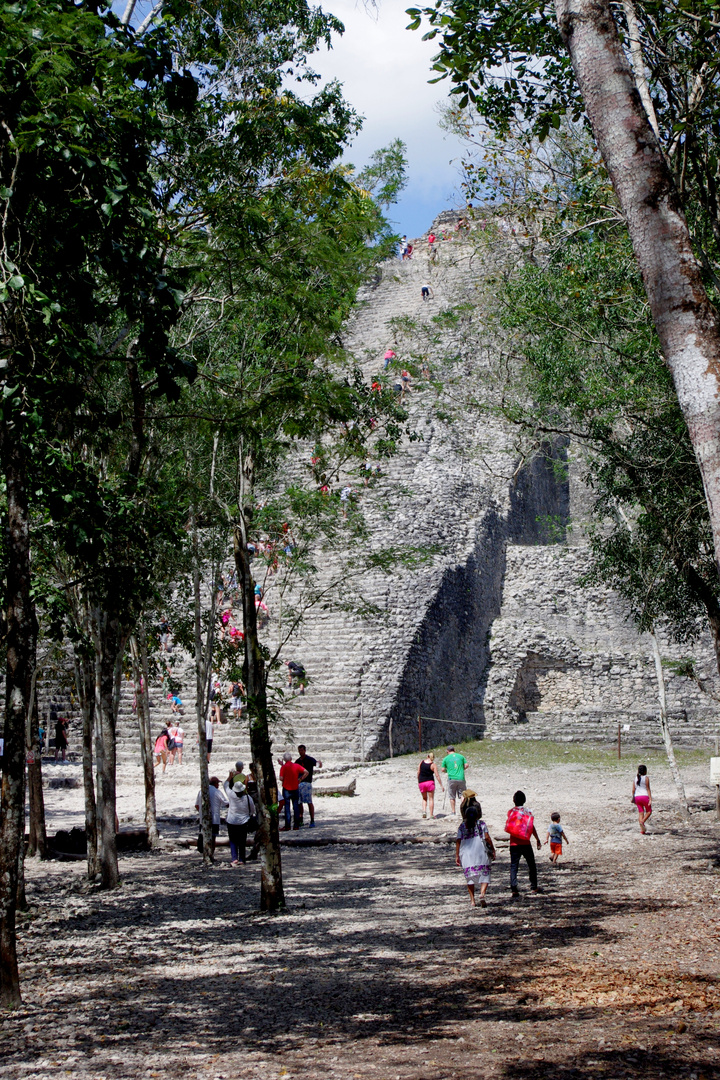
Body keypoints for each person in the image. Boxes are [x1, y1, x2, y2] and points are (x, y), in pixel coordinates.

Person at [455, 800, 496, 907]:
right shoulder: (481, 824)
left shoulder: (462, 826)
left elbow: (458, 841)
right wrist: (492, 849)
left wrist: (457, 855)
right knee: (485, 874)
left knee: (470, 877)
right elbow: (487, 838)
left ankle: (472, 900)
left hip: (466, 853)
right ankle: (482, 893)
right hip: (480, 851)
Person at [506, 790, 541, 897]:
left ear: (514, 800)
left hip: (514, 843)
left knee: (514, 866)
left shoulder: (511, 812)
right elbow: (531, 826)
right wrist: (537, 839)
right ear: (524, 800)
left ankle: (514, 888)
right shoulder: (527, 812)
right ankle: (534, 886)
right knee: (531, 864)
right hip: (526, 842)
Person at [223, 776, 255, 866]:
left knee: (233, 840)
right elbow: (252, 810)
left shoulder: (231, 795)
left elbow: (225, 785)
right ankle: (242, 859)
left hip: (232, 821)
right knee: (242, 841)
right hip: (243, 822)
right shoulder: (248, 798)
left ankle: (234, 858)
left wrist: (230, 776)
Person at [195, 776, 228, 860]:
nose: (218, 785)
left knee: (204, 836)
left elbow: (197, 805)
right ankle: (211, 855)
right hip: (214, 819)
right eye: (218, 784)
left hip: (203, 819)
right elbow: (226, 803)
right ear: (215, 784)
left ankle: (205, 854)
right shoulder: (217, 792)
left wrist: (201, 813)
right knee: (213, 838)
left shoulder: (201, 791)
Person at [279, 752, 309, 831]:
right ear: (291, 759)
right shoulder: (296, 766)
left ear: (284, 760)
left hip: (286, 788)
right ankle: (296, 825)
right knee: (296, 807)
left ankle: (287, 825)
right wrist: (300, 779)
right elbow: (306, 772)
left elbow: (281, 778)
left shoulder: (283, 767)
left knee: (287, 807)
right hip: (295, 787)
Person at [295, 745, 322, 828]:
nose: (300, 752)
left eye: (302, 750)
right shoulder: (297, 761)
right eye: (299, 750)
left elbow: (317, 764)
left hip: (307, 783)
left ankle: (312, 819)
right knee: (299, 803)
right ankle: (300, 819)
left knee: (309, 802)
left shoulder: (309, 759)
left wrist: (319, 764)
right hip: (299, 784)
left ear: (305, 750)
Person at [442, 745, 469, 815]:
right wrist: (462, 769)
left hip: (451, 778)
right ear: (454, 750)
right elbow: (466, 765)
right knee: (462, 795)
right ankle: (464, 810)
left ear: (447, 751)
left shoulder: (446, 758)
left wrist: (447, 771)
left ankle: (453, 811)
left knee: (452, 795)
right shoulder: (461, 756)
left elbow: (443, 769)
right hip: (461, 778)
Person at [417, 751, 444, 819]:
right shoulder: (433, 765)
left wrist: (418, 781)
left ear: (427, 756)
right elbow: (437, 775)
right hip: (430, 782)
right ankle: (431, 815)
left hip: (422, 782)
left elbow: (418, 772)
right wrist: (441, 785)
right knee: (431, 799)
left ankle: (424, 811)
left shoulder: (421, 762)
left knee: (424, 798)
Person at [632, 764, 652, 833]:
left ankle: (642, 830)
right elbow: (648, 789)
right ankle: (642, 822)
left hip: (637, 797)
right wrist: (650, 798)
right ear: (645, 771)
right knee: (649, 811)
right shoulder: (646, 778)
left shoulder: (635, 778)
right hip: (644, 796)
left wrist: (633, 798)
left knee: (641, 813)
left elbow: (633, 789)